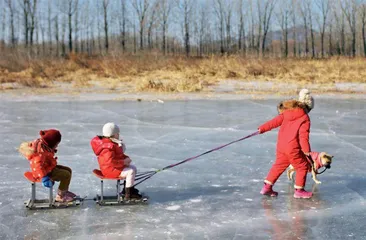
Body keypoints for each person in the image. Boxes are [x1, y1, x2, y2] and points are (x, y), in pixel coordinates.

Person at [258, 89, 314, 199]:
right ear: (307, 107)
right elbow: (303, 137)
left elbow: (273, 122)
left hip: (281, 146)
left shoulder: (287, 112)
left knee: (279, 165)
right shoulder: (305, 118)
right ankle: (299, 190)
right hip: (293, 148)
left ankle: (267, 187)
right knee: (302, 166)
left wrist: (261, 129)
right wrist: (307, 152)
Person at [19, 129, 76, 202]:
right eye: (56, 144)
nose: (57, 146)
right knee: (66, 174)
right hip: (43, 173)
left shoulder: (45, 146)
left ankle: (64, 191)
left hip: (48, 168)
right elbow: (37, 166)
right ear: (51, 143)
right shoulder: (40, 152)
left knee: (68, 170)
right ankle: (60, 196)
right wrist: (44, 178)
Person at [90, 122, 142, 200]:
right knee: (130, 171)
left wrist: (126, 158)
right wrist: (124, 162)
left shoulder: (111, 143)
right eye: (117, 134)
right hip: (109, 170)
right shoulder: (108, 148)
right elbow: (110, 162)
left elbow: (118, 155)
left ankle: (128, 189)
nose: (118, 135)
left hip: (111, 168)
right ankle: (129, 195)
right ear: (113, 135)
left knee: (133, 168)